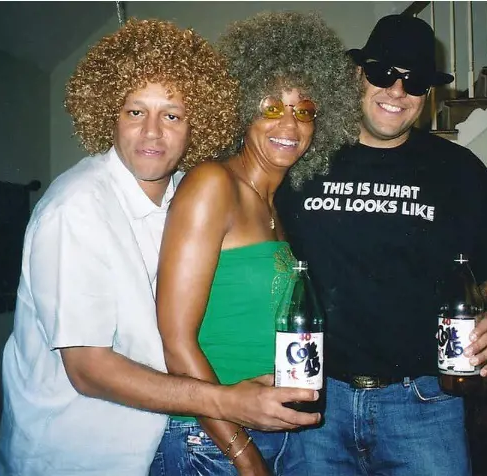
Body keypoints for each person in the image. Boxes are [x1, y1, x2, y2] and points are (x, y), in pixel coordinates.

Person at [0, 19, 322, 476]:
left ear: (197, 123)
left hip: (149, 446)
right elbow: (88, 368)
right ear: (108, 112)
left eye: (172, 114)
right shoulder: (77, 208)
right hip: (72, 453)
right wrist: (235, 428)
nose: (152, 133)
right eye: (134, 112)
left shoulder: (179, 192)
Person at [274, 14, 487, 475]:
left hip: (423, 406)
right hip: (314, 404)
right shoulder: (302, 157)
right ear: (357, 75)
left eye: (414, 82)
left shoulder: (460, 172)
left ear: (428, 94)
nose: (396, 91)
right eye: (383, 73)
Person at [151, 11, 361, 476]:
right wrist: (243, 454)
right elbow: (175, 341)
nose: (289, 123)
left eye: (303, 110)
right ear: (243, 108)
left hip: (277, 430)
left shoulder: (276, 207)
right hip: (210, 438)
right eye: (270, 106)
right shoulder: (212, 184)